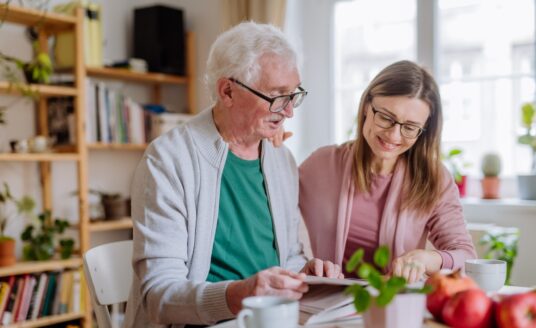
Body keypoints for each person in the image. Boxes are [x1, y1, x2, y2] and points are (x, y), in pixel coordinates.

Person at [123, 22, 342, 328]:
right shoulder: (168, 160)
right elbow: (160, 296)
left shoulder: (281, 160)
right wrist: (237, 296)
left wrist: (302, 273)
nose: (290, 111)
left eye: (294, 95)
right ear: (227, 91)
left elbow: (287, 255)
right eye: (277, 96)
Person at [299, 60, 476, 284]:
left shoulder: (434, 179)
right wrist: (269, 149)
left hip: (395, 305)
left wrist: (426, 259)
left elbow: (467, 257)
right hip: (326, 304)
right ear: (366, 106)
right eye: (385, 117)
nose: (393, 136)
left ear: (423, 131)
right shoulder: (322, 164)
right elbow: (270, 207)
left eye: (410, 127)